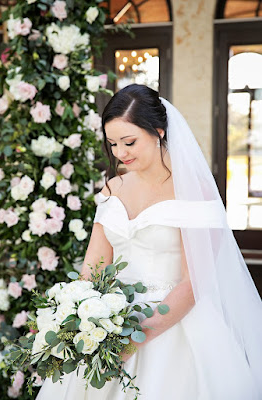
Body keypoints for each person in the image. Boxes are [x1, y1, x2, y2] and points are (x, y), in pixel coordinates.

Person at [36, 84, 262, 400]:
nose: (120, 153)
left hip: (177, 327)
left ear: (157, 132)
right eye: (112, 143)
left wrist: (133, 341)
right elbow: (92, 270)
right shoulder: (112, 188)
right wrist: (74, 321)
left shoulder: (194, 191)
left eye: (129, 142)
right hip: (107, 323)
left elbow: (194, 282)